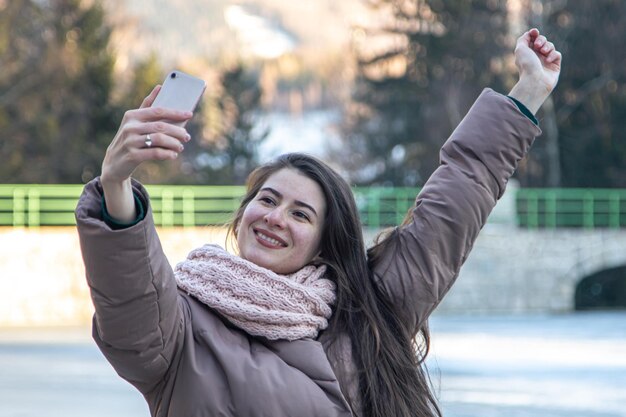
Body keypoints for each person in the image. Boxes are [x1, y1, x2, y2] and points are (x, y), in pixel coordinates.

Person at [76, 28, 561, 417]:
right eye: (267, 199)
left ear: (325, 243)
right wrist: (116, 183)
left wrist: (528, 92)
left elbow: (456, 198)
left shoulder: (368, 312)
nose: (274, 217)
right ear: (243, 212)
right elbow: (130, 292)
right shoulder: (178, 325)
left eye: (300, 213)